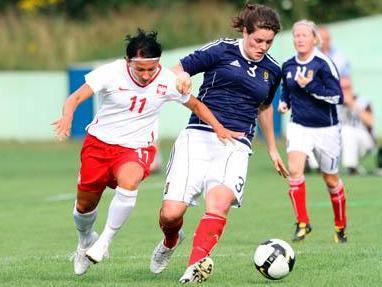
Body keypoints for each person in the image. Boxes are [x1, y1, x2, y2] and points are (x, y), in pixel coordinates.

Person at [52, 28, 241, 276]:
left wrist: (218, 127)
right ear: (128, 62)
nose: (145, 74)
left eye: (151, 69)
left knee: (129, 183)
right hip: (99, 146)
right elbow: (75, 98)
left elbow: (195, 104)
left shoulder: (167, 80)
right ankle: (85, 241)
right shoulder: (111, 72)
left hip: (136, 147)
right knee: (84, 206)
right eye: (139, 69)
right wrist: (67, 117)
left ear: (158, 64)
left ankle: (105, 241)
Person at [149, 3, 288, 284]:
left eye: (269, 42)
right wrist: (182, 79)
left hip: (237, 144)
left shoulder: (273, 69)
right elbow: (178, 70)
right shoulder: (222, 49)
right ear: (245, 32)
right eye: (257, 40)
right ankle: (170, 241)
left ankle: (194, 268)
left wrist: (272, 148)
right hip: (199, 136)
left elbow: (264, 107)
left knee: (219, 203)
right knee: (171, 214)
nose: (262, 47)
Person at [278, 20, 348, 244]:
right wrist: (284, 102)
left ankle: (340, 226)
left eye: (304, 35)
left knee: (330, 179)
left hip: (326, 130)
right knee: (294, 170)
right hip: (299, 126)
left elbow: (338, 96)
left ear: (314, 38)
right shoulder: (288, 65)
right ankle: (302, 222)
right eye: (296, 35)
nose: (299, 39)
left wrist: (310, 86)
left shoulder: (323, 64)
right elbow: (288, 90)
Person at [305, 26, 352, 172]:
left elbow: (347, 82)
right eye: (321, 38)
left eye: (326, 39)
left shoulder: (339, 56)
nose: (323, 42)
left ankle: (326, 162)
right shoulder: (307, 55)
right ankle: (310, 161)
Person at [338, 78, 376, 174]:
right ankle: (314, 167)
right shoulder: (334, 103)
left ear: (352, 88)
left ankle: (351, 168)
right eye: (342, 88)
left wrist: (352, 104)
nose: (345, 90)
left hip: (364, 140)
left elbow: (370, 122)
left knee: (347, 131)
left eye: (347, 87)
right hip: (341, 143)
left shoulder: (362, 101)